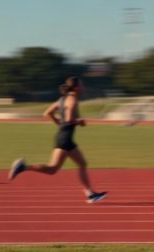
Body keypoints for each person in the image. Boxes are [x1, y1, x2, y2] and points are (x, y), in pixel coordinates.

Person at [9, 76, 107, 204]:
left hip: (64, 137)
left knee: (78, 164)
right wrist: (79, 121)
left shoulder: (62, 99)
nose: (84, 87)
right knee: (53, 169)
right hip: (65, 139)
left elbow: (47, 113)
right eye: (82, 85)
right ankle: (23, 167)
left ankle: (90, 194)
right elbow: (69, 119)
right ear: (76, 87)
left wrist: (59, 123)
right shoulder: (72, 100)